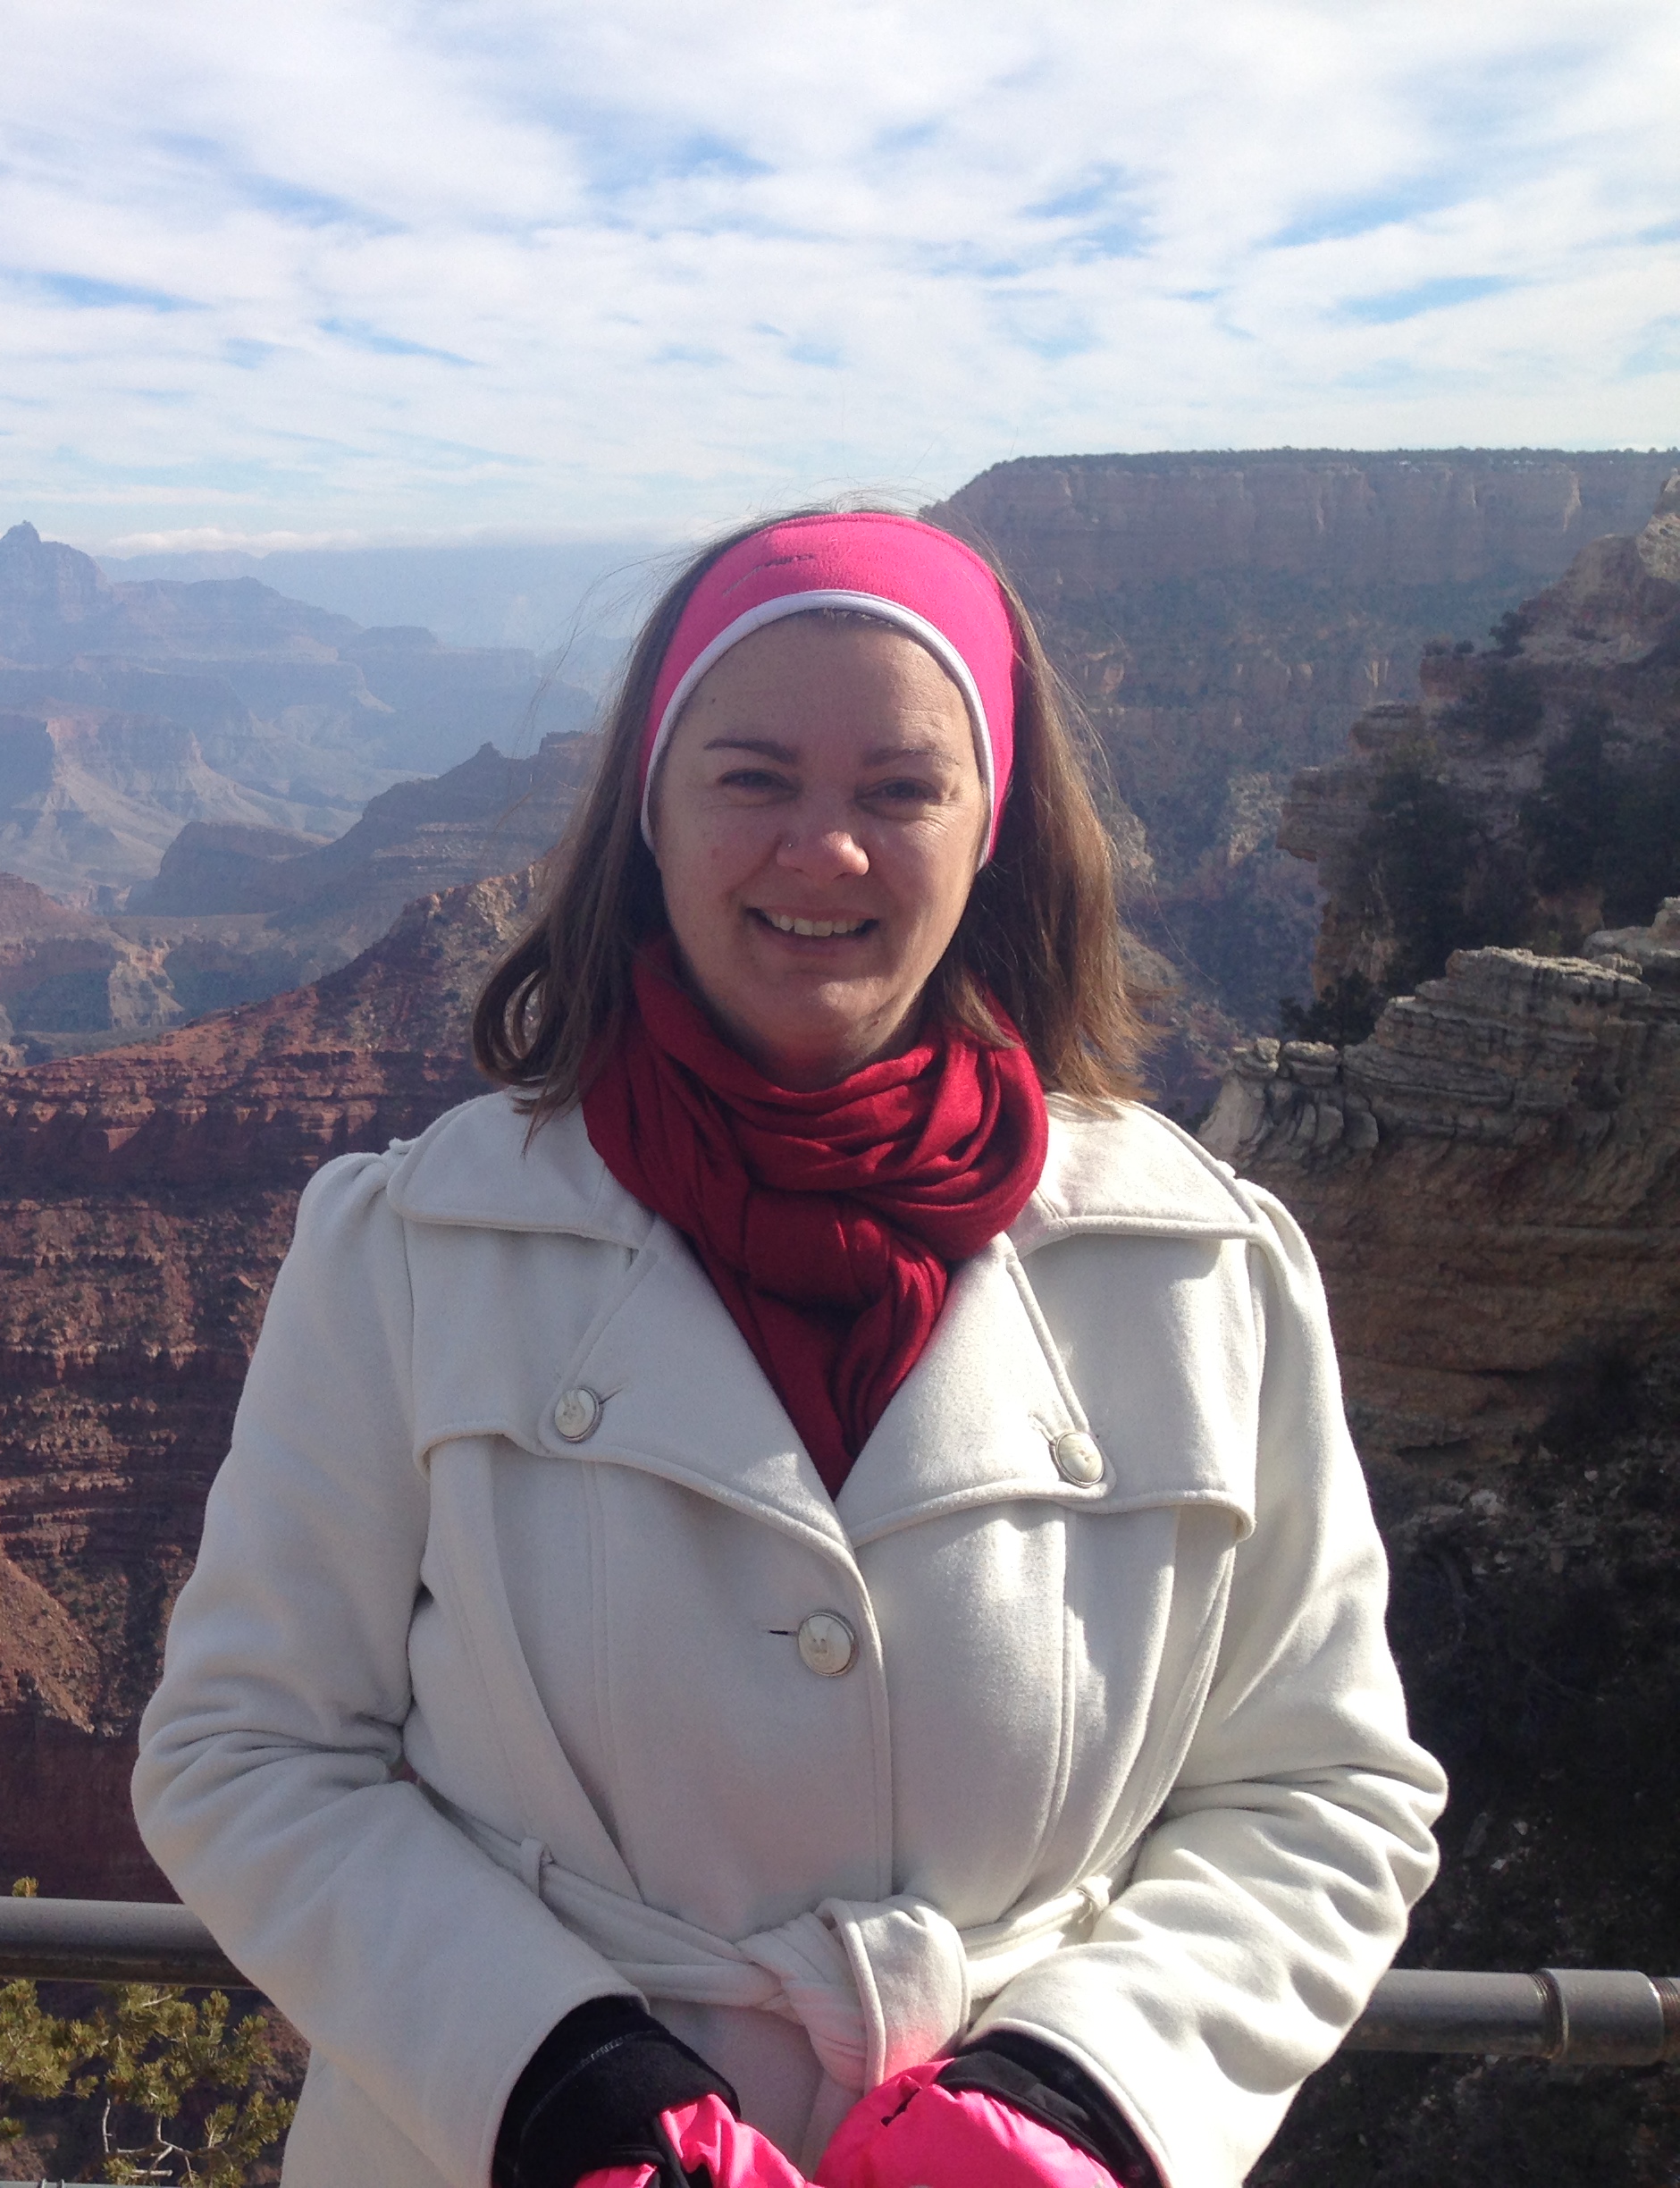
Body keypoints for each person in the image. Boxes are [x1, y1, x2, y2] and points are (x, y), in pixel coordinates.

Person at [129, 509, 1444, 2188]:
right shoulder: (408, 1254)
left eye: (900, 790)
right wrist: (555, 2080)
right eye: (754, 778)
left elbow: (1326, 1793)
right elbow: (246, 1753)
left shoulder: (1208, 1275)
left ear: (992, 835)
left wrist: (1083, 2094)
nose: (823, 852)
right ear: (651, 824)